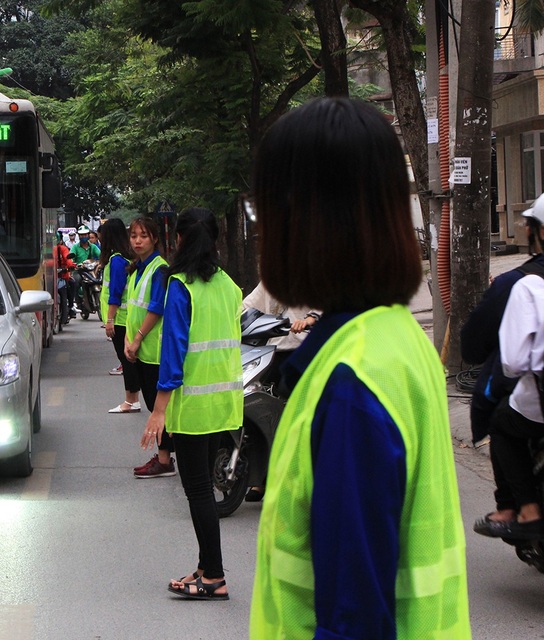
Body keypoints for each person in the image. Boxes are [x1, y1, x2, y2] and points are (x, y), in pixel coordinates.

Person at [249, 97, 470, 638]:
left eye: (266, 213)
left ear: (306, 221)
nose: (261, 232)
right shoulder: (397, 337)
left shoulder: (351, 382)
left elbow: (355, 619)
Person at [142, 208, 242, 600]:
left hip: (192, 407)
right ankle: (205, 567)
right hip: (225, 405)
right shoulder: (230, 285)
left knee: (198, 492)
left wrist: (159, 409)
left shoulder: (180, 286)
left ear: (179, 239)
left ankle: (214, 576)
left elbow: (174, 351)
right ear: (215, 240)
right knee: (204, 490)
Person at [461, 195, 544, 446]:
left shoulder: (520, 284)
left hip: (532, 409)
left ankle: (516, 487)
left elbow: (511, 361)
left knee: (499, 422)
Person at [473, 264, 544, 540]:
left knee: (500, 422)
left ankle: (523, 510)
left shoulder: (527, 286)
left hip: (534, 403)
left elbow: (512, 362)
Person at [240, 281, 320, 502]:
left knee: (298, 418)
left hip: (301, 351)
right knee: (258, 411)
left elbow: (324, 305)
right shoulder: (271, 279)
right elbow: (248, 305)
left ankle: (299, 478)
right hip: (272, 350)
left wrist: (309, 320)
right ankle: (261, 479)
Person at [124, 216, 174, 478]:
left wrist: (137, 338)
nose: (138, 241)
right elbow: (133, 306)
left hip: (154, 350)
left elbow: (156, 307)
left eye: (143, 235)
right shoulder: (137, 268)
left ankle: (165, 460)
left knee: (159, 407)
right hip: (140, 348)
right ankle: (165, 456)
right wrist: (127, 340)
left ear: (155, 238)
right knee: (152, 402)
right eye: (134, 236)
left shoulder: (159, 269)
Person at [98, 218, 141, 414]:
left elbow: (114, 293)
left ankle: (131, 400)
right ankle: (132, 399)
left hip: (120, 319)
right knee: (128, 360)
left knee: (126, 361)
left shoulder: (116, 261)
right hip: (124, 318)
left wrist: (109, 320)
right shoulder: (123, 258)